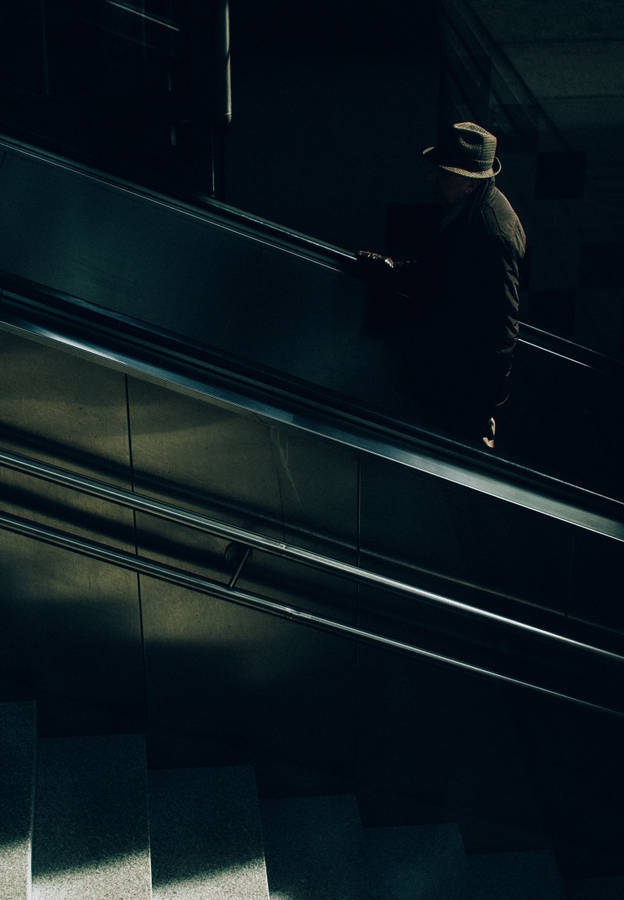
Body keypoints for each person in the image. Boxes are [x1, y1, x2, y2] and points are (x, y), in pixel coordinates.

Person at [358, 121, 526, 448]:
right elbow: (446, 271)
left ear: (469, 184)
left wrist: (484, 409)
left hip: (461, 388)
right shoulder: (469, 209)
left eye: (443, 174)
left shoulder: (492, 233)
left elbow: (503, 327)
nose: (431, 179)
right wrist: (395, 271)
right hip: (450, 373)